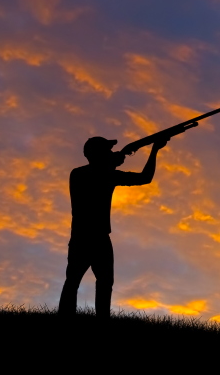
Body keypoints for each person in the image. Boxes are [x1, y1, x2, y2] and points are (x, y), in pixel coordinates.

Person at [57, 136, 168, 320]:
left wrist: (153, 150)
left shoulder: (97, 173)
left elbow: (144, 178)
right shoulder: (83, 174)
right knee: (78, 281)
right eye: (107, 150)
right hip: (89, 237)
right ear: (98, 154)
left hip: (89, 237)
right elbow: (141, 177)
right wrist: (154, 150)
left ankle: (96, 320)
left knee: (98, 281)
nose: (111, 152)